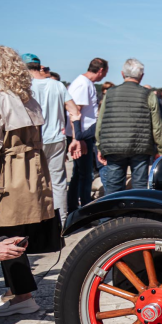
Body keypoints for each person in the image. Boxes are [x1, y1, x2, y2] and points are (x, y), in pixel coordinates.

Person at [0, 45, 55, 316]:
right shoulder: (27, 97)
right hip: (32, 169)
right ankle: (16, 291)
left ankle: (22, 297)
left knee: (4, 232)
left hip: (6, 170)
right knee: (16, 229)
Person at [24, 53, 81, 223]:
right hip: (56, 139)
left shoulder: (24, 86)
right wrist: (76, 138)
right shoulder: (58, 85)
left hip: (33, 140)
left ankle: (37, 223)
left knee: (33, 184)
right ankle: (61, 224)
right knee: (58, 183)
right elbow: (75, 112)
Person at [94, 59, 162, 194]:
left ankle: (114, 213)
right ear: (141, 75)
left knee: (113, 187)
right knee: (140, 187)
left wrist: (99, 145)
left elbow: (100, 121)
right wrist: (160, 149)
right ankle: (138, 213)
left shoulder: (110, 93)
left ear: (122, 74)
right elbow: (157, 125)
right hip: (141, 146)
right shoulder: (148, 94)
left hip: (114, 145)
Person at [67, 57, 108, 213]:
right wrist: (78, 138)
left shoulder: (85, 83)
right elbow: (75, 112)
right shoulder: (83, 84)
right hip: (82, 135)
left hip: (82, 134)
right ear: (101, 70)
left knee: (80, 174)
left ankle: (75, 206)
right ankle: (84, 210)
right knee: (85, 175)